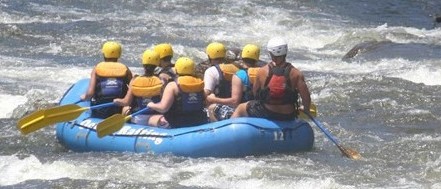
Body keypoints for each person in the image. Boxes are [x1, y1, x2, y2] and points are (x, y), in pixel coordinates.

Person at [231, 37, 311, 120]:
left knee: (240, 108)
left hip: (267, 112)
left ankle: (229, 129)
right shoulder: (296, 73)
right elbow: (306, 97)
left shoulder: (262, 71)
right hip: (288, 114)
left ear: (270, 53)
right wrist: (306, 109)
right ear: (286, 52)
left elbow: (255, 93)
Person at [113, 49, 168, 127]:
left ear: (143, 64)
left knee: (125, 108)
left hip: (138, 118)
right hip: (155, 118)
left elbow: (126, 102)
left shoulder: (135, 80)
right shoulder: (161, 81)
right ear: (157, 64)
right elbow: (164, 103)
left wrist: (117, 101)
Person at [147, 57, 207, 128]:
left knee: (151, 119)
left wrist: (151, 105)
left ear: (176, 70)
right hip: (199, 121)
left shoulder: (172, 85)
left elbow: (163, 108)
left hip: (178, 123)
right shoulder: (199, 84)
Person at [206, 44, 261, 121]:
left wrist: (213, 99)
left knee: (212, 108)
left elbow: (235, 101)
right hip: (257, 111)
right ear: (257, 59)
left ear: (242, 57)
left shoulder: (240, 74)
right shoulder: (263, 72)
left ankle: (217, 129)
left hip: (242, 113)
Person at [81, 41, 133, 118]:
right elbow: (133, 88)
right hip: (119, 107)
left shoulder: (97, 69)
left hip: (101, 108)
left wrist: (84, 97)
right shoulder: (125, 69)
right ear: (119, 54)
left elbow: (90, 93)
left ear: (104, 54)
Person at [203, 42, 239, 121]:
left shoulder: (211, 71)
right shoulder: (237, 68)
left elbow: (206, 93)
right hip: (236, 109)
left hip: (219, 109)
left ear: (209, 57)